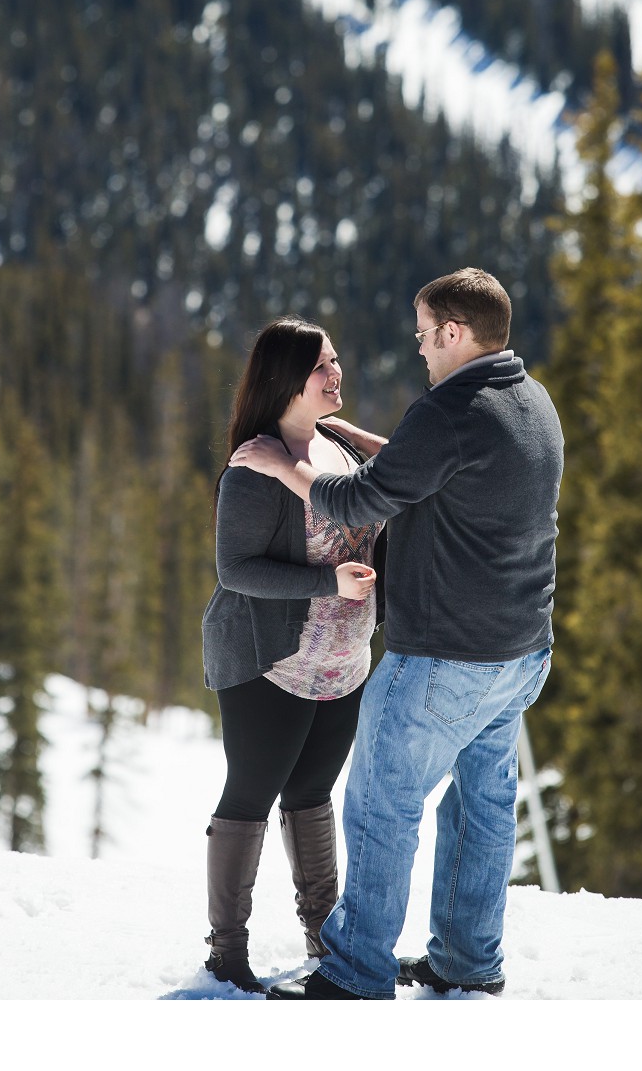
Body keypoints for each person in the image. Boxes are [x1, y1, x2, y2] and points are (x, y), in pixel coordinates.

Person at [230, 267, 562, 1000]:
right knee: (480, 805)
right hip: (521, 653)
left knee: (383, 800)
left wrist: (285, 465)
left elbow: (358, 500)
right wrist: (376, 441)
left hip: (447, 654)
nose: (419, 350)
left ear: (454, 332)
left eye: (423, 336)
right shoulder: (531, 401)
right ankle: (468, 961)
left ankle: (353, 972)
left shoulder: (448, 411)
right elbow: (450, 472)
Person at [200, 318, 386, 995]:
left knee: (312, 794)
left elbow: (404, 477)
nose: (336, 374)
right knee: (250, 795)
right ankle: (227, 950)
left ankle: (322, 936)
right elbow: (235, 569)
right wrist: (328, 581)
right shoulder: (256, 462)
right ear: (287, 378)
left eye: (336, 360)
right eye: (321, 367)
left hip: (343, 662)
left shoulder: (337, 444)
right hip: (270, 662)